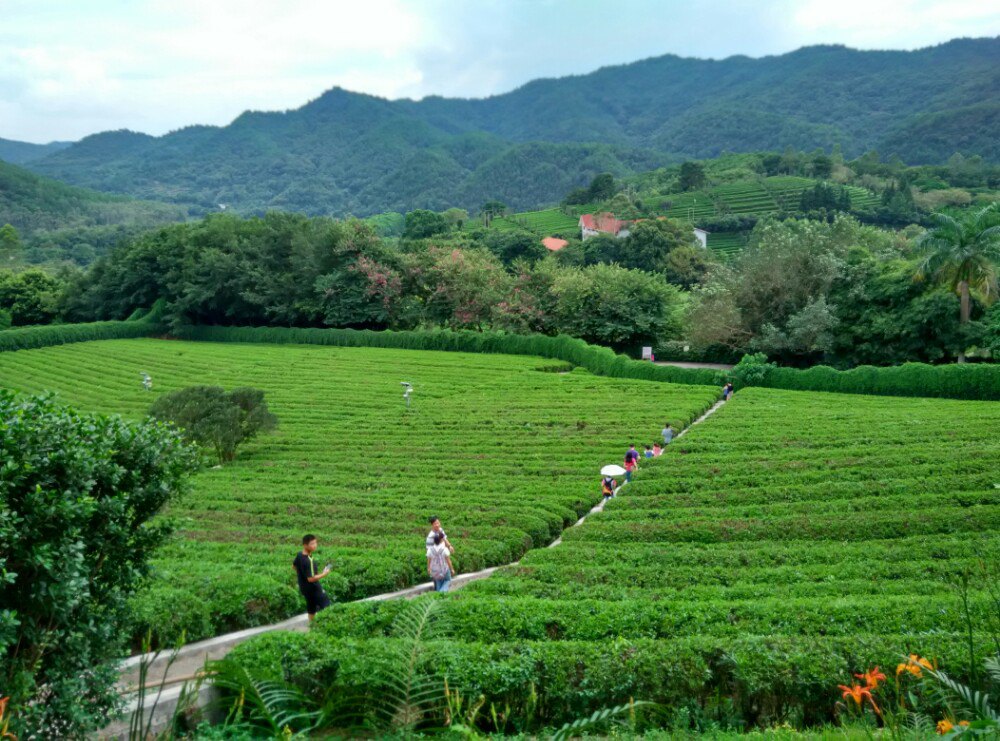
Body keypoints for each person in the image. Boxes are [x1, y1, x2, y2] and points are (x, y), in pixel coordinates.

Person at [293, 534, 332, 621]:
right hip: (313, 588)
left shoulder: (299, 555)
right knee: (327, 605)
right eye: (312, 544)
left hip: (304, 587)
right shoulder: (308, 560)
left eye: (315, 543)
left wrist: (302, 576)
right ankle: (328, 626)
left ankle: (312, 626)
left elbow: (294, 566)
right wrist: (324, 573)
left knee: (311, 606)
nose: (315, 545)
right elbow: (311, 579)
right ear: (305, 545)